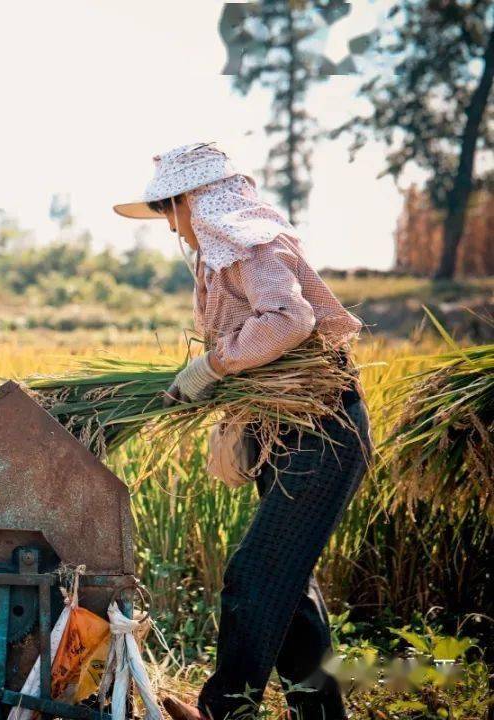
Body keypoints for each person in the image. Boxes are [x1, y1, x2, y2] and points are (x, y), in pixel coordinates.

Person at [112, 142, 371, 720]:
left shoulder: (247, 247)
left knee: (255, 573)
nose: (169, 223)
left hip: (323, 430)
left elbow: (290, 318)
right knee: (289, 588)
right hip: (283, 431)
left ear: (193, 201)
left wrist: (213, 366)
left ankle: (223, 710)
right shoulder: (218, 254)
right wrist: (232, 412)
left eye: (168, 208)